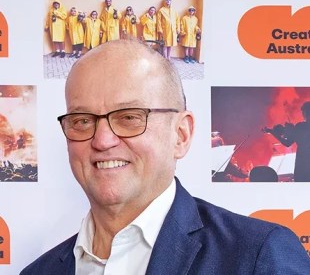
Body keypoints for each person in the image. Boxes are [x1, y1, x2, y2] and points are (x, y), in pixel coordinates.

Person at [20, 39, 310, 274]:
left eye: (130, 117)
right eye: (83, 120)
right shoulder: (38, 272)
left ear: (181, 135)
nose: (103, 140)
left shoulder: (259, 256)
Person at [264, 101, 310, 182]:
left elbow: (287, 143)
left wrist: (272, 132)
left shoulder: (300, 126)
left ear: (305, 113)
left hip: (303, 163)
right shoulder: (299, 127)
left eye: (303, 112)